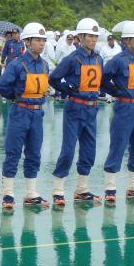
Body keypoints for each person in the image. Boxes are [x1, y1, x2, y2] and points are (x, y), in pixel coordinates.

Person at [49, 18, 104, 205]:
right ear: (80, 37)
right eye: (90, 36)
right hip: (75, 108)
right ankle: (58, 189)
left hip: (92, 109)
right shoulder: (72, 58)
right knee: (69, 149)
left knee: (89, 150)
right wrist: (67, 90)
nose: (93, 39)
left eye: (95, 36)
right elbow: (54, 78)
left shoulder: (98, 59)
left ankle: (82, 189)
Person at [0, 22, 50, 209]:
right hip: (20, 111)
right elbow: (2, 86)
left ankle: (30, 192)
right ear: (27, 42)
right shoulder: (17, 64)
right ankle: (8, 193)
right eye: (37, 40)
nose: (41, 43)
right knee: (13, 152)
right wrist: (17, 98)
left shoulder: (44, 65)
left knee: (34, 153)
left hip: (37, 114)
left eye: (43, 40)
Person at [101, 20, 134, 203]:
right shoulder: (118, 60)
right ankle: (110, 186)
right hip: (125, 107)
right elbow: (103, 79)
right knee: (118, 144)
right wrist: (116, 92)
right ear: (126, 41)